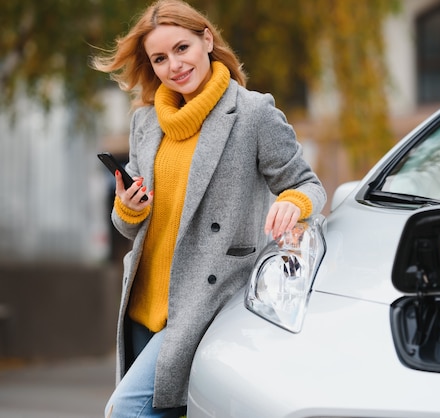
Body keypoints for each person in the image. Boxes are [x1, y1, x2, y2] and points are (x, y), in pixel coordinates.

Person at [90, 1, 326, 416]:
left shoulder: (252, 113)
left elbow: (306, 183)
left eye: (182, 48)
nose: (174, 65)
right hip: (145, 302)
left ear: (207, 40)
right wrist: (128, 207)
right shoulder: (146, 122)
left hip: (206, 301)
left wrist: (292, 202)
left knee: (125, 410)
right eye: (159, 58)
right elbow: (129, 228)